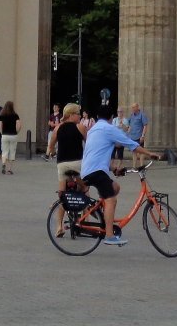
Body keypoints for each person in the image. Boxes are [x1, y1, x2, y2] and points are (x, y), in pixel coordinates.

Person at [78, 112, 161, 246]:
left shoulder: (93, 130)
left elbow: (97, 154)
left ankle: (100, 212)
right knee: (111, 199)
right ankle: (109, 236)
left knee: (115, 187)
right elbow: (131, 144)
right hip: (96, 172)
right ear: (111, 117)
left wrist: (114, 169)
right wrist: (150, 153)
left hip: (87, 170)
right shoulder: (109, 128)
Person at [49, 102, 85, 191]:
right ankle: (86, 203)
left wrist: (53, 152)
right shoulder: (80, 127)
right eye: (78, 114)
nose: (80, 116)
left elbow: (51, 146)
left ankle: (61, 202)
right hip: (78, 163)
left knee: (62, 191)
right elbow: (89, 144)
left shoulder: (57, 128)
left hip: (62, 163)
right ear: (71, 115)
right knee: (85, 187)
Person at [0, 99, 21, 174]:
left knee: (4, 151)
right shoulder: (15, 115)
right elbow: (19, 125)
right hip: (13, 135)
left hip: (5, 135)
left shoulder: (2, 115)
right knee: (12, 151)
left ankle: (3, 164)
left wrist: (2, 133)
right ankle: (9, 169)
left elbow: (0, 126)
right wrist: (16, 132)